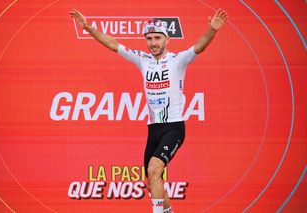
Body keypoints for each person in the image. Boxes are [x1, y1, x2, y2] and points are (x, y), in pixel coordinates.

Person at [70, 8, 227, 213]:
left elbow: (199, 47)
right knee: (153, 180)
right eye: (149, 38)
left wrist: (212, 31)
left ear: (167, 39)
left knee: (154, 169)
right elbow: (114, 45)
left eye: (158, 38)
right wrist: (89, 28)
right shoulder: (142, 59)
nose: (153, 43)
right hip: (153, 129)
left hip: (174, 127)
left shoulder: (178, 60)